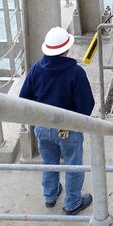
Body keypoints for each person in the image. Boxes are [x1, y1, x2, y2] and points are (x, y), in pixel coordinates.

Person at [19, 26, 94, 215]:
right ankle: (72, 202)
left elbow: (24, 99)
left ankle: (50, 196)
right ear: (66, 49)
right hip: (68, 128)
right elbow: (87, 105)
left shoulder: (36, 68)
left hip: (43, 127)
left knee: (48, 162)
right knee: (73, 165)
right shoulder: (76, 72)